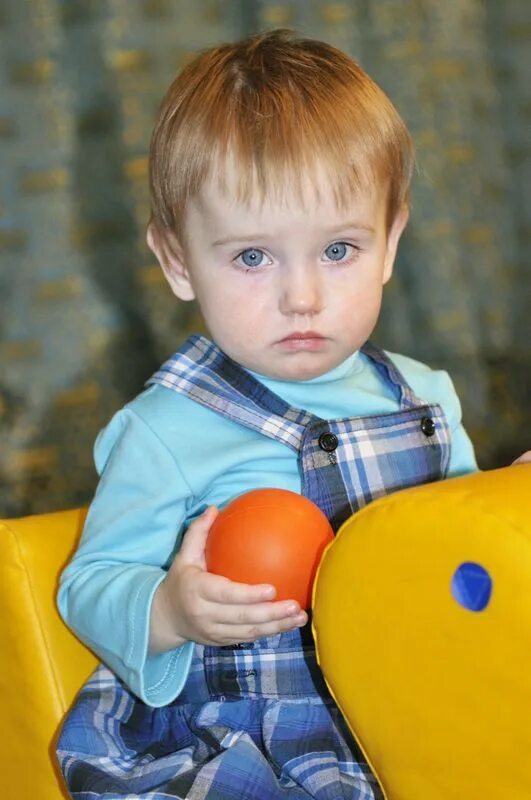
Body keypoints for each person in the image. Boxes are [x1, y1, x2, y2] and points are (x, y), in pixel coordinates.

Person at [55, 29, 529, 799]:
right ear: (177, 261)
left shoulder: (423, 396)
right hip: (252, 730)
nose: (300, 296)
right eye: (252, 257)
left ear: (389, 243)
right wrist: (172, 609)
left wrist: (509, 504)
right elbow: (91, 583)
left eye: (338, 250)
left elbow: (452, 550)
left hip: (416, 702)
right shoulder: (165, 428)